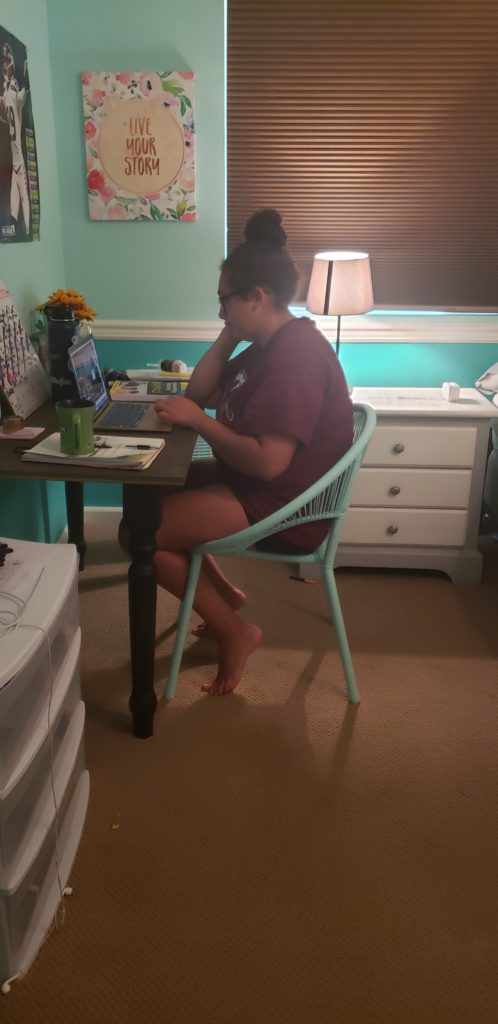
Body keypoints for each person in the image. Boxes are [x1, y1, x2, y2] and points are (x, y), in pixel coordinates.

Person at [120, 208, 353, 696]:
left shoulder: (296, 357)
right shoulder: (269, 342)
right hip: (258, 482)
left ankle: (234, 630)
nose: (220, 310)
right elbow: (199, 390)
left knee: (142, 533)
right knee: (152, 490)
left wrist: (198, 421)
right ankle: (228, 595)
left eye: (224, 300)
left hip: (286, 503)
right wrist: (231, 329)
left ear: (257, 296)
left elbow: (270, 461)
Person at [0, 45, 30, 238]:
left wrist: (17, 71)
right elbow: (14, 86)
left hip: (17, 160)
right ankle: (19, 229)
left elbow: (20, 89)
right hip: (14, 161)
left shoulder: (14, 97)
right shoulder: (12, 96)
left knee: (23, 198)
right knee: (20, 198)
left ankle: (24, 230)